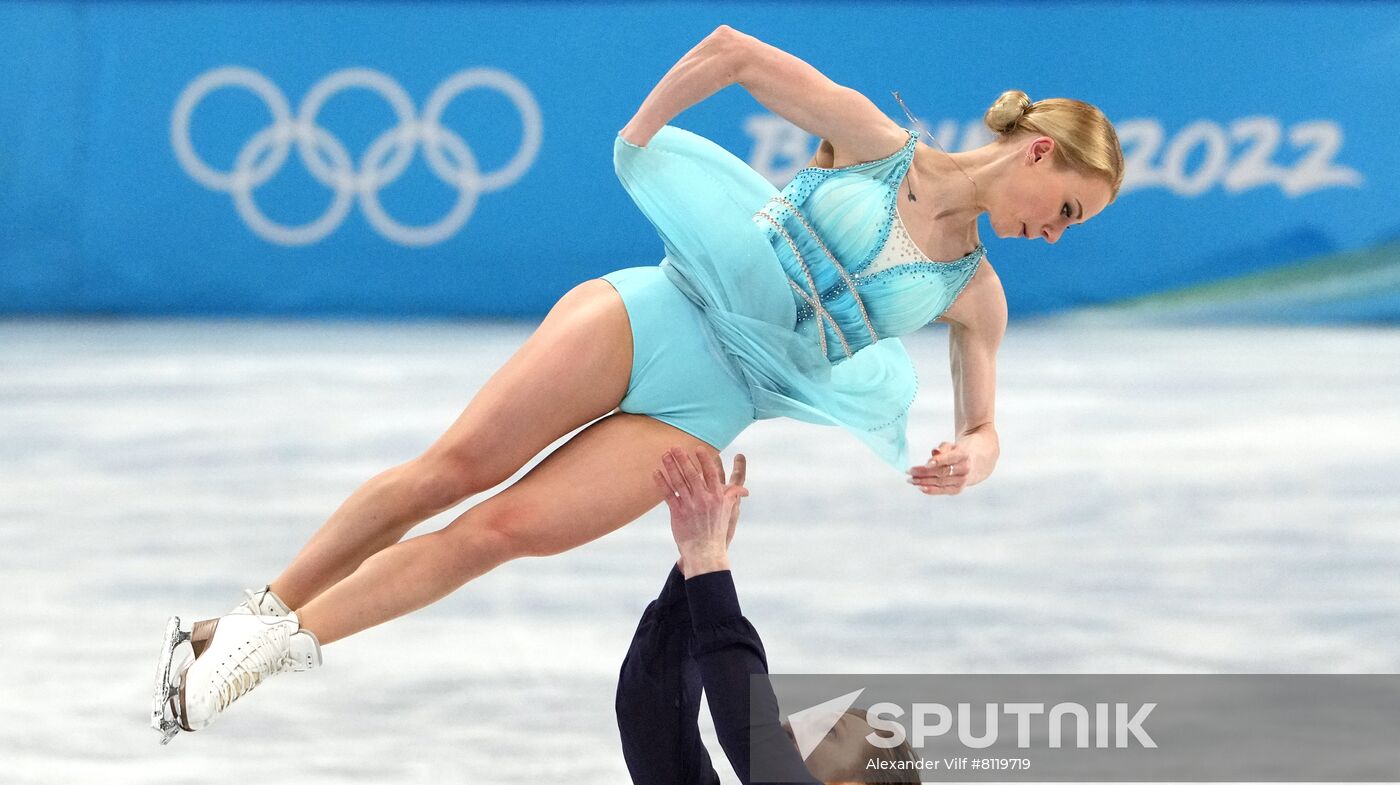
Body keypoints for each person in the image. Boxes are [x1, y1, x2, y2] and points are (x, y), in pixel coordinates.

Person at [151, 24, 1124, 742]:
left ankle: (245, 655)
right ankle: (247, 621)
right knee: (450, 472)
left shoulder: (976, 293)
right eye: (1068, 209)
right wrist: (642, 135)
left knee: (495, 533)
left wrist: (971, 455)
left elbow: (986, 422)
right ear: (1037, 152)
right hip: (647, 315)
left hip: (707, 410)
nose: (1055, 231)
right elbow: (732, 50)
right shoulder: (875, 145)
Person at [618, 447, 923, 785]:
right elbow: (648, 714)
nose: (794, 726)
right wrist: (693, 564)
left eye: (830, 733)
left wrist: (711, 566)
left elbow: (750, 735)